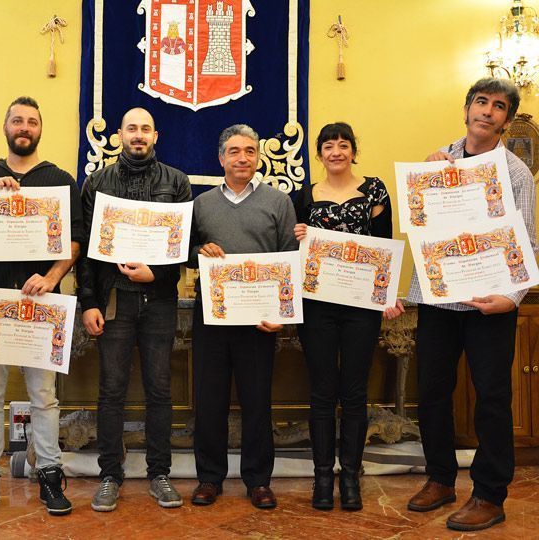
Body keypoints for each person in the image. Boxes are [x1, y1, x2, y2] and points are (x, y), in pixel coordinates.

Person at [393, 78, 538, 532]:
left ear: (506, 120)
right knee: (432, 392)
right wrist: (426, 178)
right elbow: (420, 226)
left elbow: (529, 241)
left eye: (498, 107)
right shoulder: (438, 160)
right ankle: (439, 478)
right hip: (438, 298)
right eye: (481, 102)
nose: (488, 111)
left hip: (489, 303)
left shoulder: (515, 173)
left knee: (491, 399)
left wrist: (510, 298)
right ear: (466, 109)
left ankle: (490, 495)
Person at [0, 96, 82, 517]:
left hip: (43, 304)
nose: (24, 127)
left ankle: (50, 475)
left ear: (40, 129)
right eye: (17, 120)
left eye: (32, 121)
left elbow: (76, 241)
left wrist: (52, 277)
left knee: (44, 397)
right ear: (5, 127)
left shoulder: (59, 179)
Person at [77, 107, 191, 512]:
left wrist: (156, 275)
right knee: (111, 391)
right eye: (131, 129)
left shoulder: (176, 182)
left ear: (155, 135)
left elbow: (182, 246)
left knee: (160, 391)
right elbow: (87, 249)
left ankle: (159, 474)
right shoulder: (97, 182)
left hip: (158, 300)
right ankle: (110, 474)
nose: (138, 135)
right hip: (113, 301)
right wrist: (88, 302)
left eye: (145, 129)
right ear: (120, 135)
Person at [187, 124, 297, 509]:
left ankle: (258, 481)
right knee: (210, 401)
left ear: (258, 157)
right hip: (212, 318)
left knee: (256, 401)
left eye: (250, 151)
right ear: (221, 159)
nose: (242, 158)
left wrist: (284, 316)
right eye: (234, 151)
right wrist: (200, 249)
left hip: (259, 321)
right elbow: (184, 253)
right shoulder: (201, 204)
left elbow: (289, 260)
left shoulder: (278, 202)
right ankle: (209, 478)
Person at [294, 122, 394, 511]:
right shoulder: (304, 195)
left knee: (354, 393)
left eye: (343, 145)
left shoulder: (375, 189)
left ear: (354, 150)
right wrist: (298, 235)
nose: (336, 151)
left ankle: (350, 476)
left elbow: (383, 246)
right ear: (318, 154)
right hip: (316, 306)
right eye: (328, 146)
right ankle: (322, 478)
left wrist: (385, 295)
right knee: (321, 392)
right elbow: (295, 251)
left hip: (361, 306)